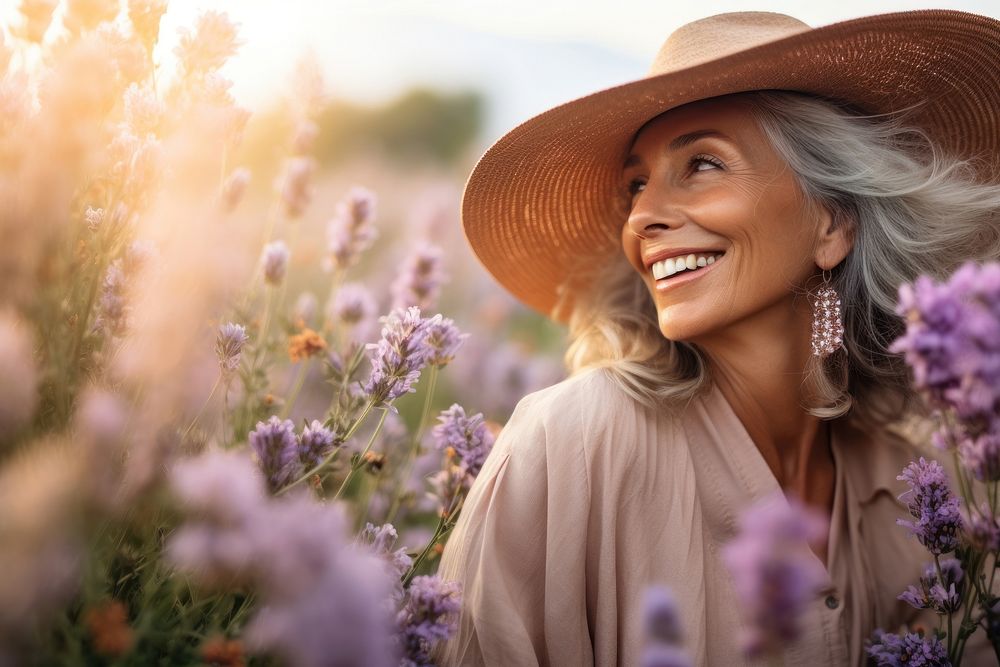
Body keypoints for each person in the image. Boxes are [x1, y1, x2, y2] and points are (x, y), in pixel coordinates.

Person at [432, 10, 1000, 666]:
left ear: (832, 225)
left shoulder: (916, 491)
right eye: (636, 185)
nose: (642, 216)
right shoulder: (570, 447)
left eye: (702, 164)